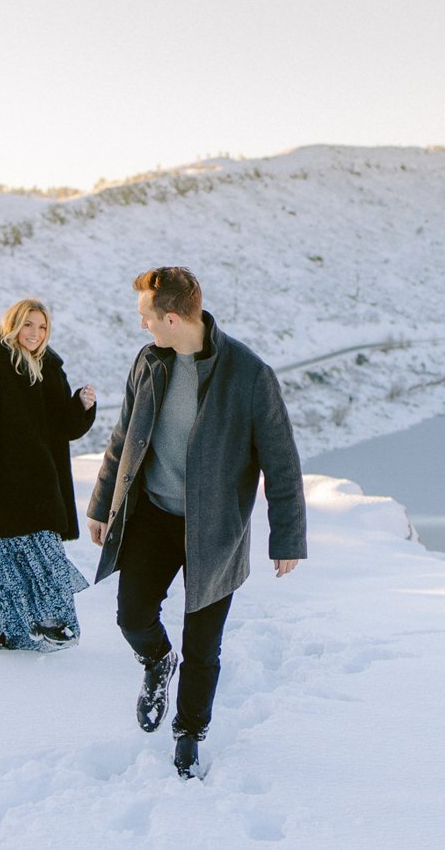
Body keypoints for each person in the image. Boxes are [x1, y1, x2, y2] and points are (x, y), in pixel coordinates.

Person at [87, 267, 307, 780]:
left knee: (204, 645)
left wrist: (287, 537)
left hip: (216, 532)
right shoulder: (149, 362)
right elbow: (124, 437)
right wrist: (103, 505)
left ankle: (189, 733)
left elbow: (281, 461)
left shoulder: (249, 375)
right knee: (132, 616)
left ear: (169, 317)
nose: (142, 328)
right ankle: (157, 662)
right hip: (155, 516)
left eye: (146, 318)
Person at [0, 298, 98, 651]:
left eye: (42, 327)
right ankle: (7, 634)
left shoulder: (50, 368)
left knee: (46, 558)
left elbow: (62, 428)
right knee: (1, 567)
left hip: (39, 486)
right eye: (28, 325)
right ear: (12, 326)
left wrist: (80, 406)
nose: (35, 333)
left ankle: (54, 626)